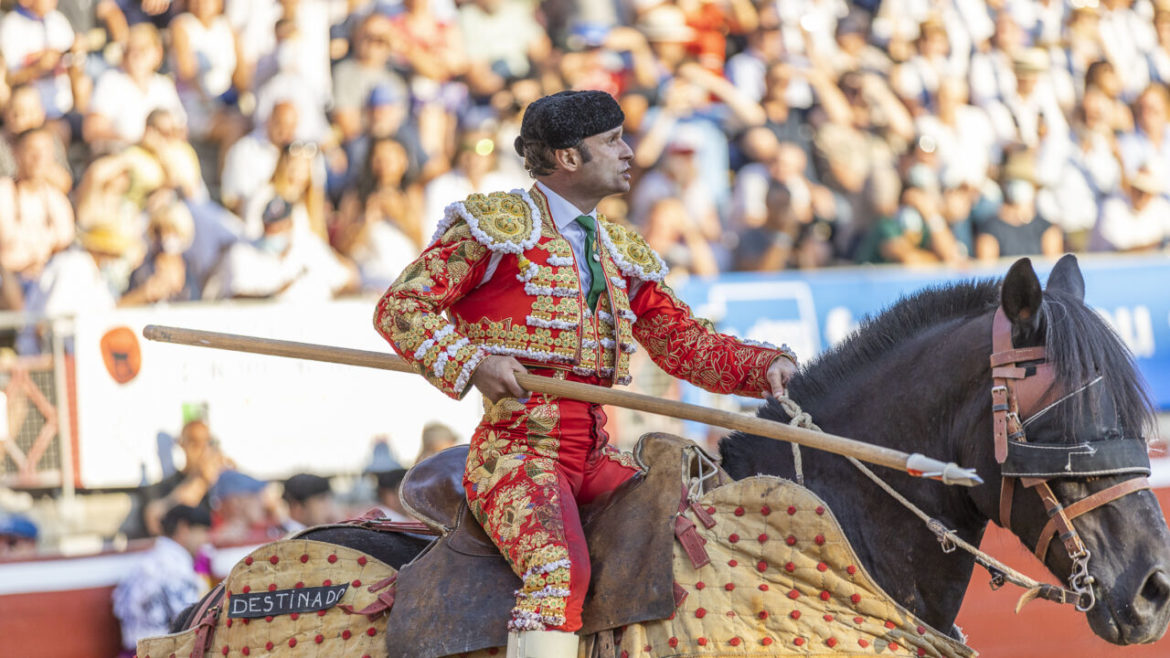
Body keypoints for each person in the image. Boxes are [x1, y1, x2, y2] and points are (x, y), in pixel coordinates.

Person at [374, 90, 796, 657]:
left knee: (693, 541)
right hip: (517, 453)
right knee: (555, 574)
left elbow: (683, 343)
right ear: (569, 158)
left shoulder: (619, 247)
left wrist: (764, 366)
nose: (628, 152)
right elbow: (401, 307)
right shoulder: (495, 228)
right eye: (612, 141)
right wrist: (474, 362)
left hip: (595, 457)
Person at [112, 504, 211, 653]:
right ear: (183, 529)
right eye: (201, 532)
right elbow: (193, 626)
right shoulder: (177, 571)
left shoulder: (142, 563)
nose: (204, 541)